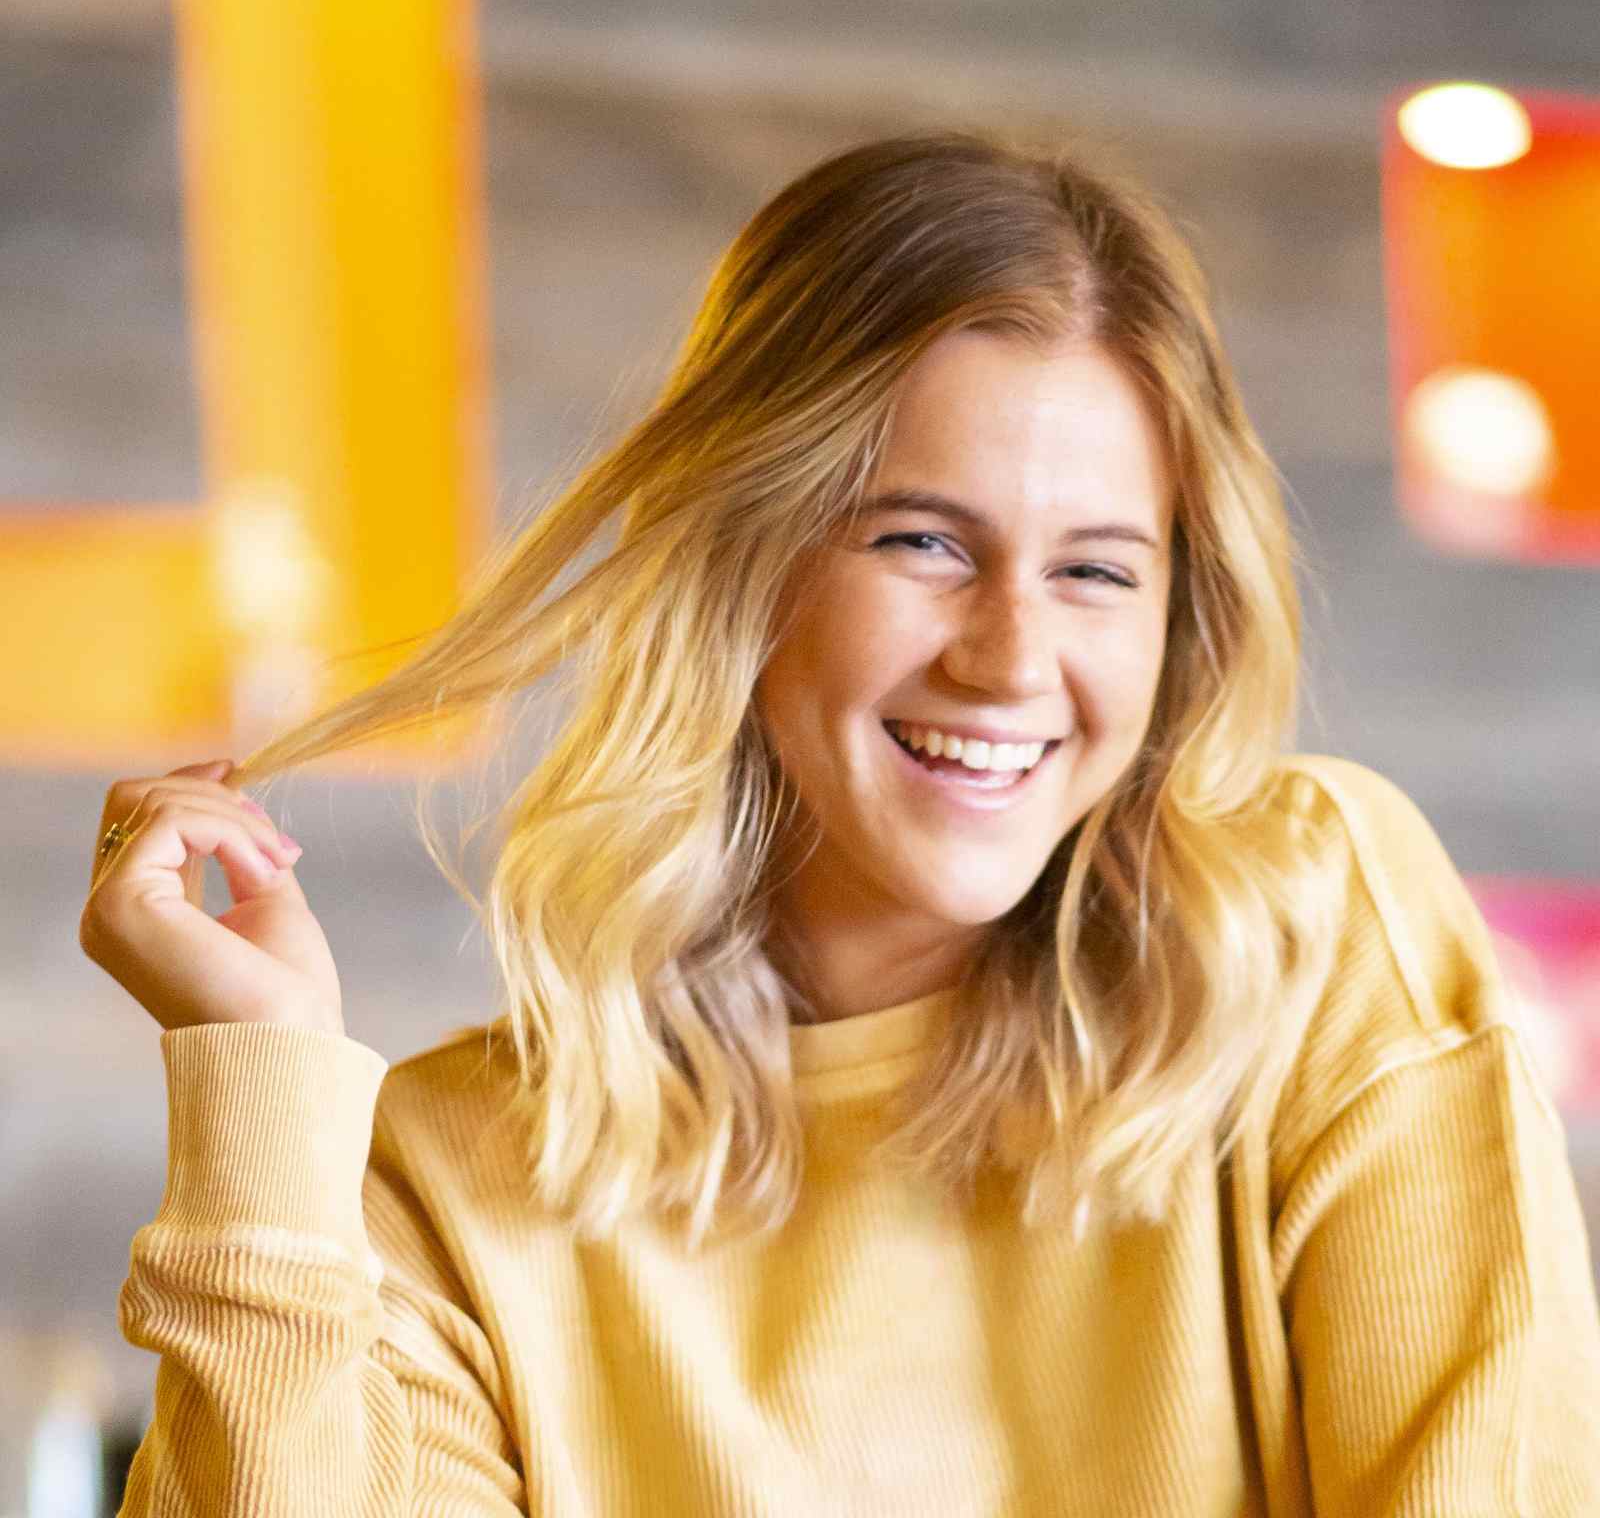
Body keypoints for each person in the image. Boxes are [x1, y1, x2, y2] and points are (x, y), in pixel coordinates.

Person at [82, 127, 1600, 1516]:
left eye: (1097, 571)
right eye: (925, 542)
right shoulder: (446, 1178)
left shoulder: (1309, 925)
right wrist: (258, 1079)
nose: (1011, 659)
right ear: (748, 564)